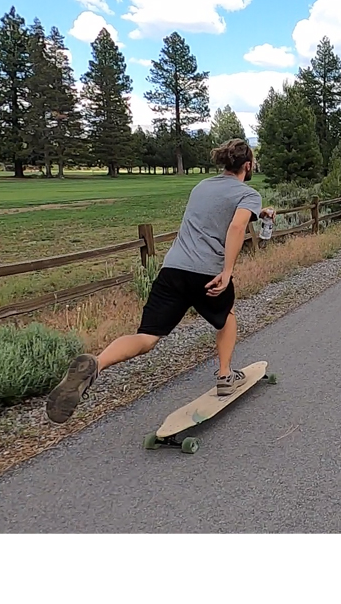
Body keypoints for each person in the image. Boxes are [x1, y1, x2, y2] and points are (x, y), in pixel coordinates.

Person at [45, 139, 276, 424]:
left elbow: (216, 213)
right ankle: (226, 375)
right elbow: (236, 225)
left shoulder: (201, 187)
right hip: (207, 273)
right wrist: (227, 271)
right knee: (225, 318)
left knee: (147, 337)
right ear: (248, 165)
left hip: (173, 269)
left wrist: (258, 212)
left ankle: (97, 363)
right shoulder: (249, 193)